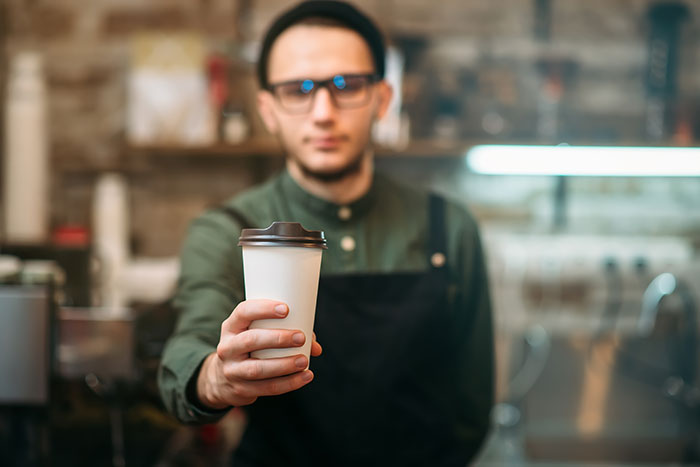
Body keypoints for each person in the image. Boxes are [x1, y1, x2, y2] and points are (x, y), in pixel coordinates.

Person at [158, 1, 494, 465]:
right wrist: (216, 377)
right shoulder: (228, 230)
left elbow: (472, 407)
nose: (322, 112)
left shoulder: (449, 228)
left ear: (382, 99)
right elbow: (188, 349)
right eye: (298, 89)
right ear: (268, 109)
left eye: (346, 85)